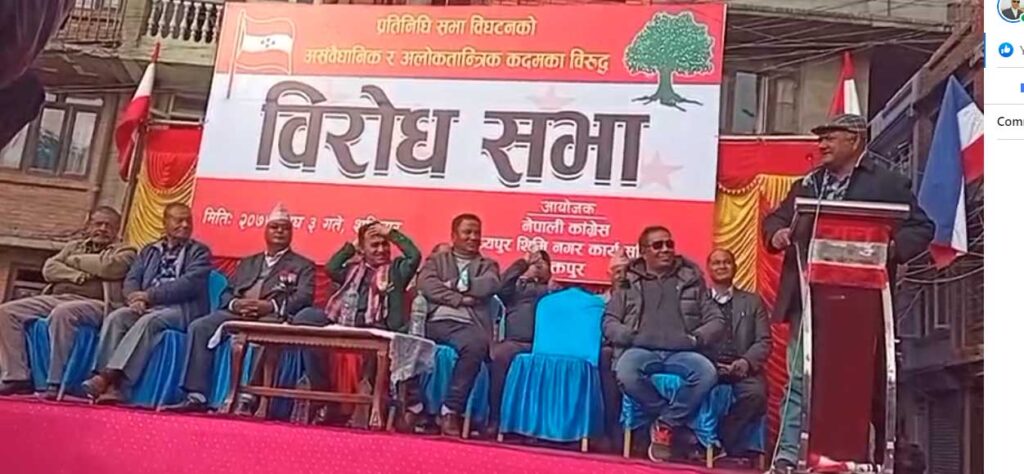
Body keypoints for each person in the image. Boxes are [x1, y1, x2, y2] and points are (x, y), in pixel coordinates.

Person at [762, 114, 934, 473]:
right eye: (820, 139)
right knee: (801, 377)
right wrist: (776, 234)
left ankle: (857, 456)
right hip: (808, 298)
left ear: (855, 140)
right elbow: (775, 220)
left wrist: (890, 249)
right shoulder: (808, 184)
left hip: (861, 303)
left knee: (857, 382)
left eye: (830, 138)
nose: (822, 145)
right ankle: (789, 455)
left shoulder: (887, 182)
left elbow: (921, 227)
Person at [166, 204, 315, 413]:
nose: (280, 231)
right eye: (275, 227)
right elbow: (227, 292)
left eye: (285, 228)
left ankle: (248, 397)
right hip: (238, 313)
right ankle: (196, 395)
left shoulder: (303, 265)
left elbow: (304, 297)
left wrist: (270, 306)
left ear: (291, 233)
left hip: (271, 316)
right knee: (199, 327)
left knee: (267, 331)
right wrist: (236, 304)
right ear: (265, 231)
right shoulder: (248, 262)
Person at [604, 226, 726, 463]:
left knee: (707, 373)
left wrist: (696, 339)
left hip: (682, 352)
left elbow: (716, 320)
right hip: (640, 350)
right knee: (625, 373)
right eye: (658, 245)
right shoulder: (628, 280)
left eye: (669, 244)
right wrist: (628, 336)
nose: (665, 249)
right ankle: (668, 420)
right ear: (643, 252)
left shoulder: (691, 279)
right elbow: (609, 321)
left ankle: (665, 424)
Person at [82, 203, 213, 404]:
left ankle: (111, 380)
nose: (185, 225)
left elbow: (189, 285)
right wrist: (134, 298)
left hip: (181, 309)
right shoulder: (150, 251)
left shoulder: (200, 252)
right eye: (179, 220)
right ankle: (105, 382)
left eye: (188, 221)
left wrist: (148, 296)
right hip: (148, 305)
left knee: (149, 322)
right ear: (165, 222)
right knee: (118, 318)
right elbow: (132, 278)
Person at [0, 207, 135, 398]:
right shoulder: (73, 246)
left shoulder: (126, 251)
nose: (103, 229)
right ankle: (16, 376)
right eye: (98, 224)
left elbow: (109, 267)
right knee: (6, 312)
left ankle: (54, 382)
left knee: (64, 312)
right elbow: (49, 269)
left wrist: (72, 261)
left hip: (98, 304)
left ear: (118, 229)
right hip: (57, 297)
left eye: (109, 225)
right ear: (88, 225)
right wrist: (78, 275)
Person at [417, 213, 500, 436]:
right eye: (467, 232)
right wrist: (460, 299)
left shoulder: (488, 265)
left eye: (477, 233)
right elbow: (426, 285)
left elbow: (489, 285)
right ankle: (413, 408)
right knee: (405, 343)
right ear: (454, 235)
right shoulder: (437, 261)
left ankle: (451, 410)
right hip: (434, 321)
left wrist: (452, 284)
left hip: (467, 325)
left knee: (476, 346)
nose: (473, 237)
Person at [705, 248, 771, 459]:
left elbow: (764, 341)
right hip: (707, 367)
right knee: (689, 388)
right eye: (716, 263)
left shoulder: (752, 302)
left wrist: (745, 362)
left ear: (735, 267)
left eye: (726, 262)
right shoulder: (698, 301)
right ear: (708, 269)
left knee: (757, 395)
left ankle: (723, 439)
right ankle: (691, 444)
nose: (722, 266)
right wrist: (708, 364)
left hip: (743, 368)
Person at [487, 250, 553, 434]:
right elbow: (500, 287)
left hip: (543, 346)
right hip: (515, 343)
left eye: (543, 263)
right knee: (498, 356)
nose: (538, 266)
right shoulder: (515, 290)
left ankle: (538, 427)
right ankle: (495, 419)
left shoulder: (552, 292)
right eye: (535, 263)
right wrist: (523, 264)